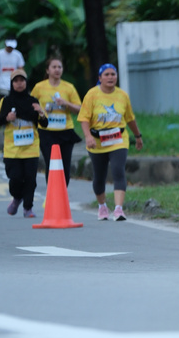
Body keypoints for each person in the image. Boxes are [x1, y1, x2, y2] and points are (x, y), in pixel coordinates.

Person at [78, 63, 143, 221]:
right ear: (100, 78)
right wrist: (88, 136)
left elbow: (130, 118)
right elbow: (84, 118)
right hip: (97, 142)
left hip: (118, 139)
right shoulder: (92, 95)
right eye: (106, 74)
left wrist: (138, 136)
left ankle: (119, 209)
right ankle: (102, 206)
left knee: (118, 170)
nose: (110, 77)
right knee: (99, 176)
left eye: (113, 74)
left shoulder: (122, 95)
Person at [0, 68, 48, 218]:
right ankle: (17, 197)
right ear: (12, 84)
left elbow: (45, 124)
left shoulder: (33, 101)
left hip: (31, 147)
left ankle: (28, 208)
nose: (19, 83)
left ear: (26, 82)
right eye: (16, 81)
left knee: (30, 179)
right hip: (12, 149)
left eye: (22, 80)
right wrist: (7, 118)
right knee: (15, 178)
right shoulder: (6, 101)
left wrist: (41, 112)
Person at [32, 56, 82, 185]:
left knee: (65, 166)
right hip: (46, 131)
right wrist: (41, 111)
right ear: (47, 70)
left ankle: (63, 193)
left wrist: (66, 103)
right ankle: (52, 193)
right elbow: (31, 106)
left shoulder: (69, 87)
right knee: (52, 164)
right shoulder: (39, 87)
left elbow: (79, 109)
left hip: (65, 130)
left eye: (59, 67)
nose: (57, 70)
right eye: (54, 67)